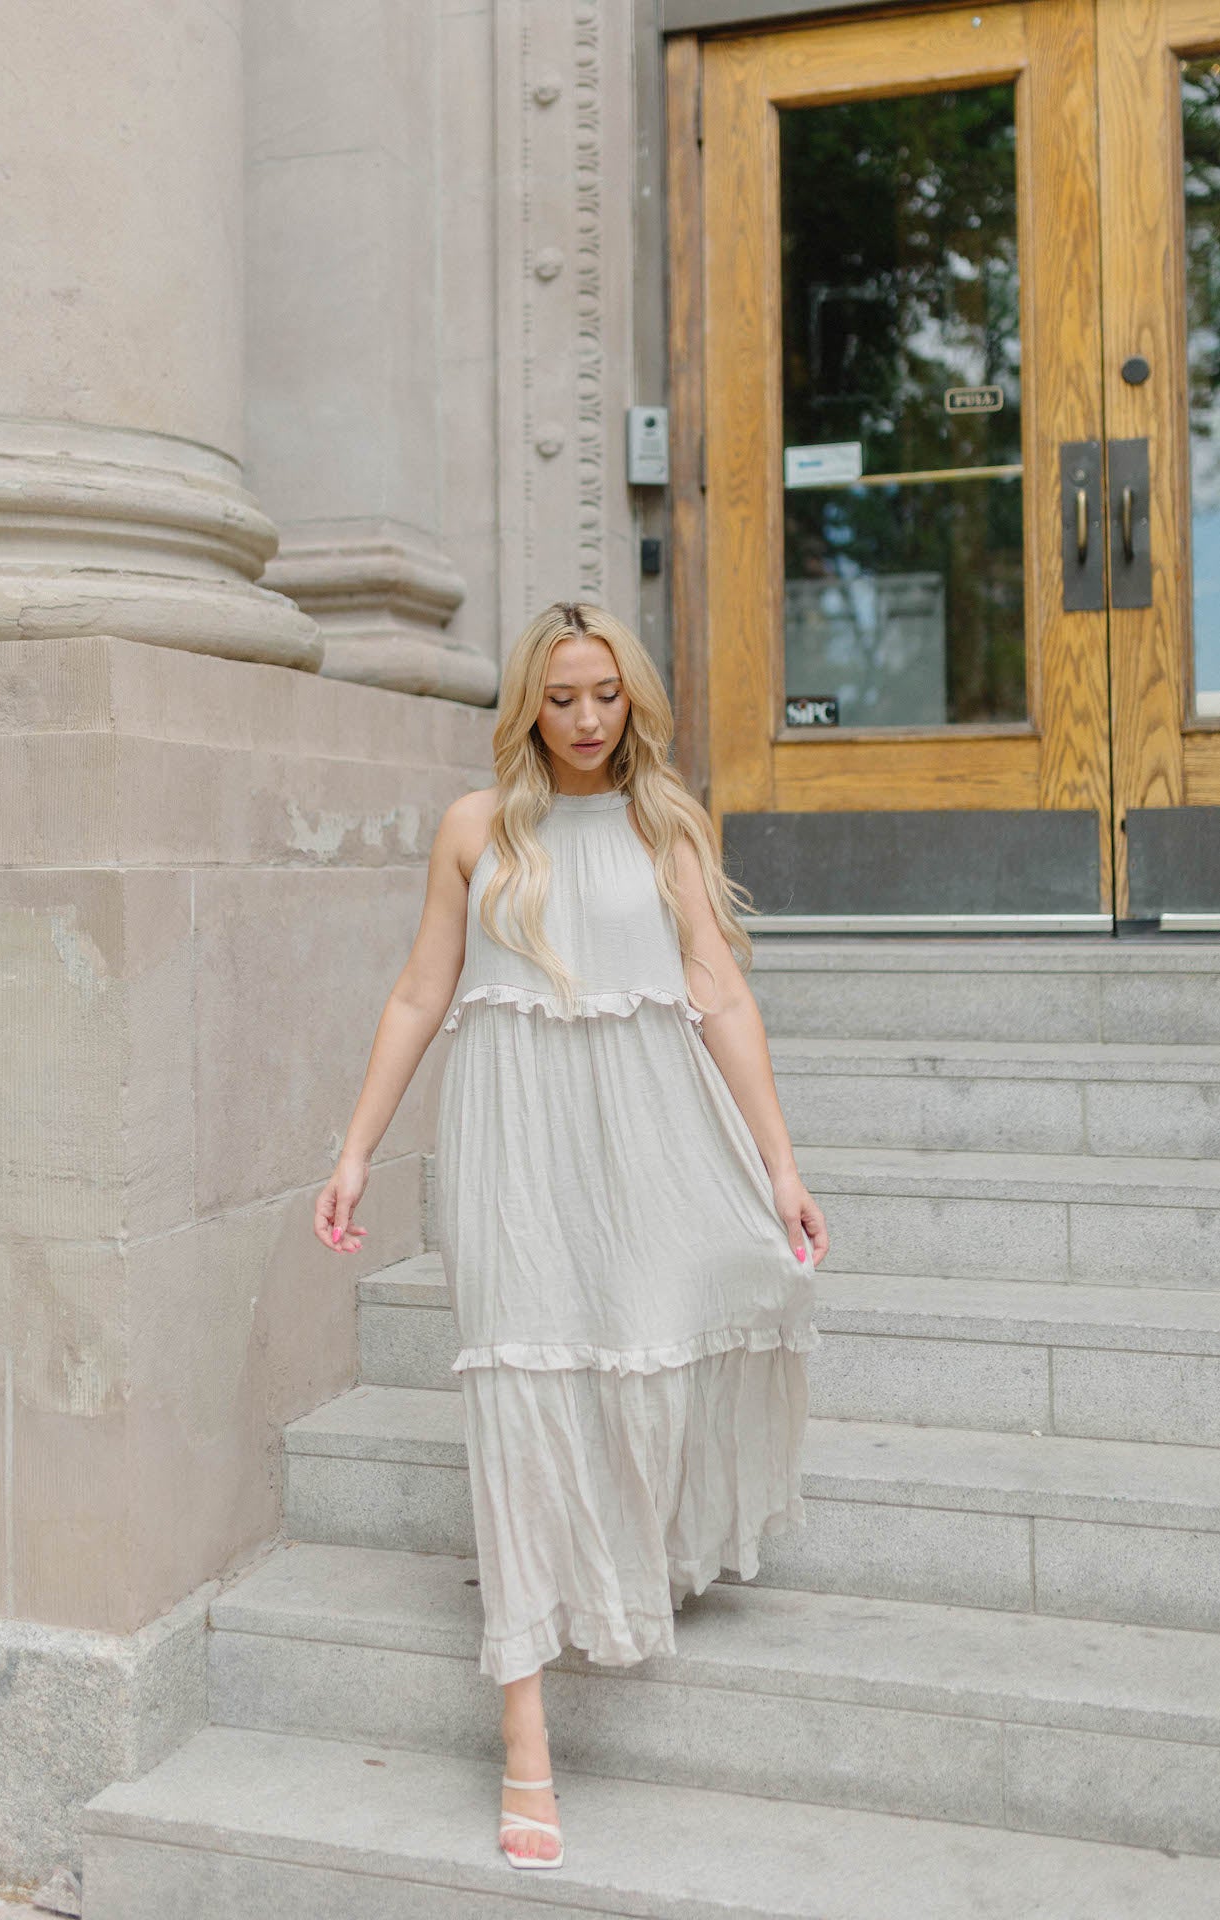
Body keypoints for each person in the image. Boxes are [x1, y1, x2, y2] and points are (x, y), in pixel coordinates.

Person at [314, 600, 828, 1871]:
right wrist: (357, 1146)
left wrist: (778, 1163)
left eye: (607, 695)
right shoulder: (476, 829)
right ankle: (526, 1743)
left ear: (633, 699)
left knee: (652, 1346)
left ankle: (624, 1560)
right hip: (512, 1149)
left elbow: (719, 993)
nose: (588, 720)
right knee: (522, 1389)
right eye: (563, 698)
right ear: (525, 706)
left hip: (646, 1142)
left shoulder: (666, 826)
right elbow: (421, 991)